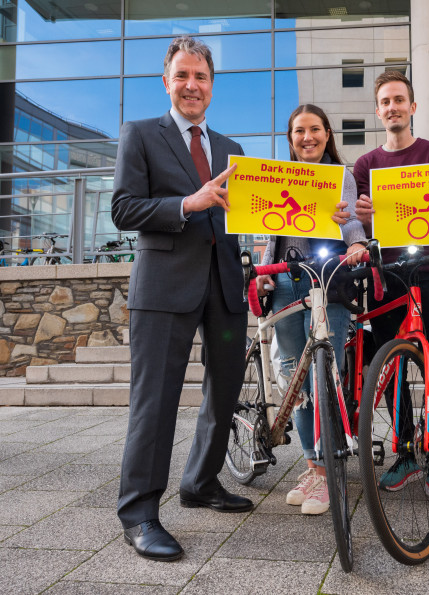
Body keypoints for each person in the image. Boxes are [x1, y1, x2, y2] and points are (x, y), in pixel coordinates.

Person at [112, 35, 252, 562]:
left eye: (202, 77)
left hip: (224, 288)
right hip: (164, 287)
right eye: (183, 75)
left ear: (212, 86)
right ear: (166, 82)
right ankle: (140, 514)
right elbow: (124, 209)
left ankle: (200, 482)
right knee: (156, 403)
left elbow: (249, 217)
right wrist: (187, 204)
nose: (192, 85)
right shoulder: (141, 135)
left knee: (223, 396)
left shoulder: (233, 150)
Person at [335, 70, 429, 510]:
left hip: (428, 272)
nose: (392, 107)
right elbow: (360, 226)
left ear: (412, 107)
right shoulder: (366, 165)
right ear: (377, 111)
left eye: (399, 100)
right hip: (385, 276)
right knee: (389, 369)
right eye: (385, 101)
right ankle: (406, 451)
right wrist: (365, 219)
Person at [256, 104, 367, 515]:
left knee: (325, 376)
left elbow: (352, 220)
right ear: (290, 138)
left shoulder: (341, 176)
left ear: (327, 134)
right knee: (295, 381)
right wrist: (264, 271)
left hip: (329, 279)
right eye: (299, 131)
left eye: (315, 129)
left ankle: (327, 467)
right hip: (285, 280)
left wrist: (354, 241)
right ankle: (312, 469)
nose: (308, 137)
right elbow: (272, 229)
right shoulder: (281, 177)